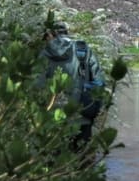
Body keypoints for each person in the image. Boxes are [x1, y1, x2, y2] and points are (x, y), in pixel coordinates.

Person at [39, 21, 105, 150]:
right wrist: (96, 108)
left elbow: (36, 85)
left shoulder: (43, 54)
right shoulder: (83, 49)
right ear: (67, 32)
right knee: (81, 158)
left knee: (56, 160)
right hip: (82, 114)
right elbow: (99, 81)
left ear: (50, 35)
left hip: (52, 119)